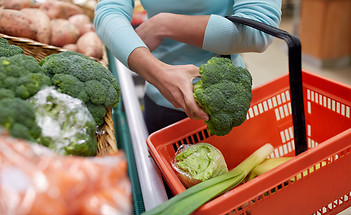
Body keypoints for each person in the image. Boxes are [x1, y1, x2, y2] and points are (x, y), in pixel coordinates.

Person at [94, 0, 282, 134]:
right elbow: (109, 11)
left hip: (223, 99)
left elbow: (258, 29)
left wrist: (163, 24)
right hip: (159, 97)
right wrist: (157, 72)